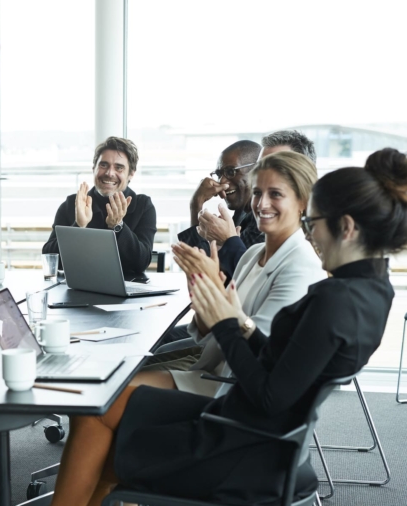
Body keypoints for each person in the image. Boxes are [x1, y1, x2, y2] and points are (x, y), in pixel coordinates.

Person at [49, 147, 407, 506]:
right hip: (250, 428)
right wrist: (236, 320)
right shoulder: (373, 292)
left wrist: (226, 321)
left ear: (345, 227)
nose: (311, 236)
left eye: (312, 224)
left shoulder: (334, 299)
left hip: (243, 449)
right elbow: (280, 363)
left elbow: (268, 396)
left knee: (97, 438)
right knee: (98, 414)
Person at [142, 152, 325, 392]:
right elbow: (208, 334)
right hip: (214, 369)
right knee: (116, 385)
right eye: (258, 193)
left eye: (276, 194)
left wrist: (218, 301)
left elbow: (259, 351)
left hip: (236, 386)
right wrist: (205, 298)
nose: (261, 204)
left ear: (303, 203)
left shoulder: (302, 267)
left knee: (117, 391)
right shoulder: (253, 253)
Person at [42, 136, 156, 278]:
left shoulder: (143, 206)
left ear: (131, 174)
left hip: (126, 292)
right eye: (103, 165)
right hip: (79, 288)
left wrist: (118, 226)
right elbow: (50, 258)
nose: (109, 173)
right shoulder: (73, 203)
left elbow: (140, 263)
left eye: (119, 168)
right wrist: (78, 226)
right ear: (94, 169)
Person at [177, 140, 265, 279]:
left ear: (257, 171)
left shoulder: (262, 219)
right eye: (219, 174)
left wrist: (227, 240)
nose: (222, 182)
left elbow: (213, 275)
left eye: (231, 172)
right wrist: (196, 204)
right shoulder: (241, 213)